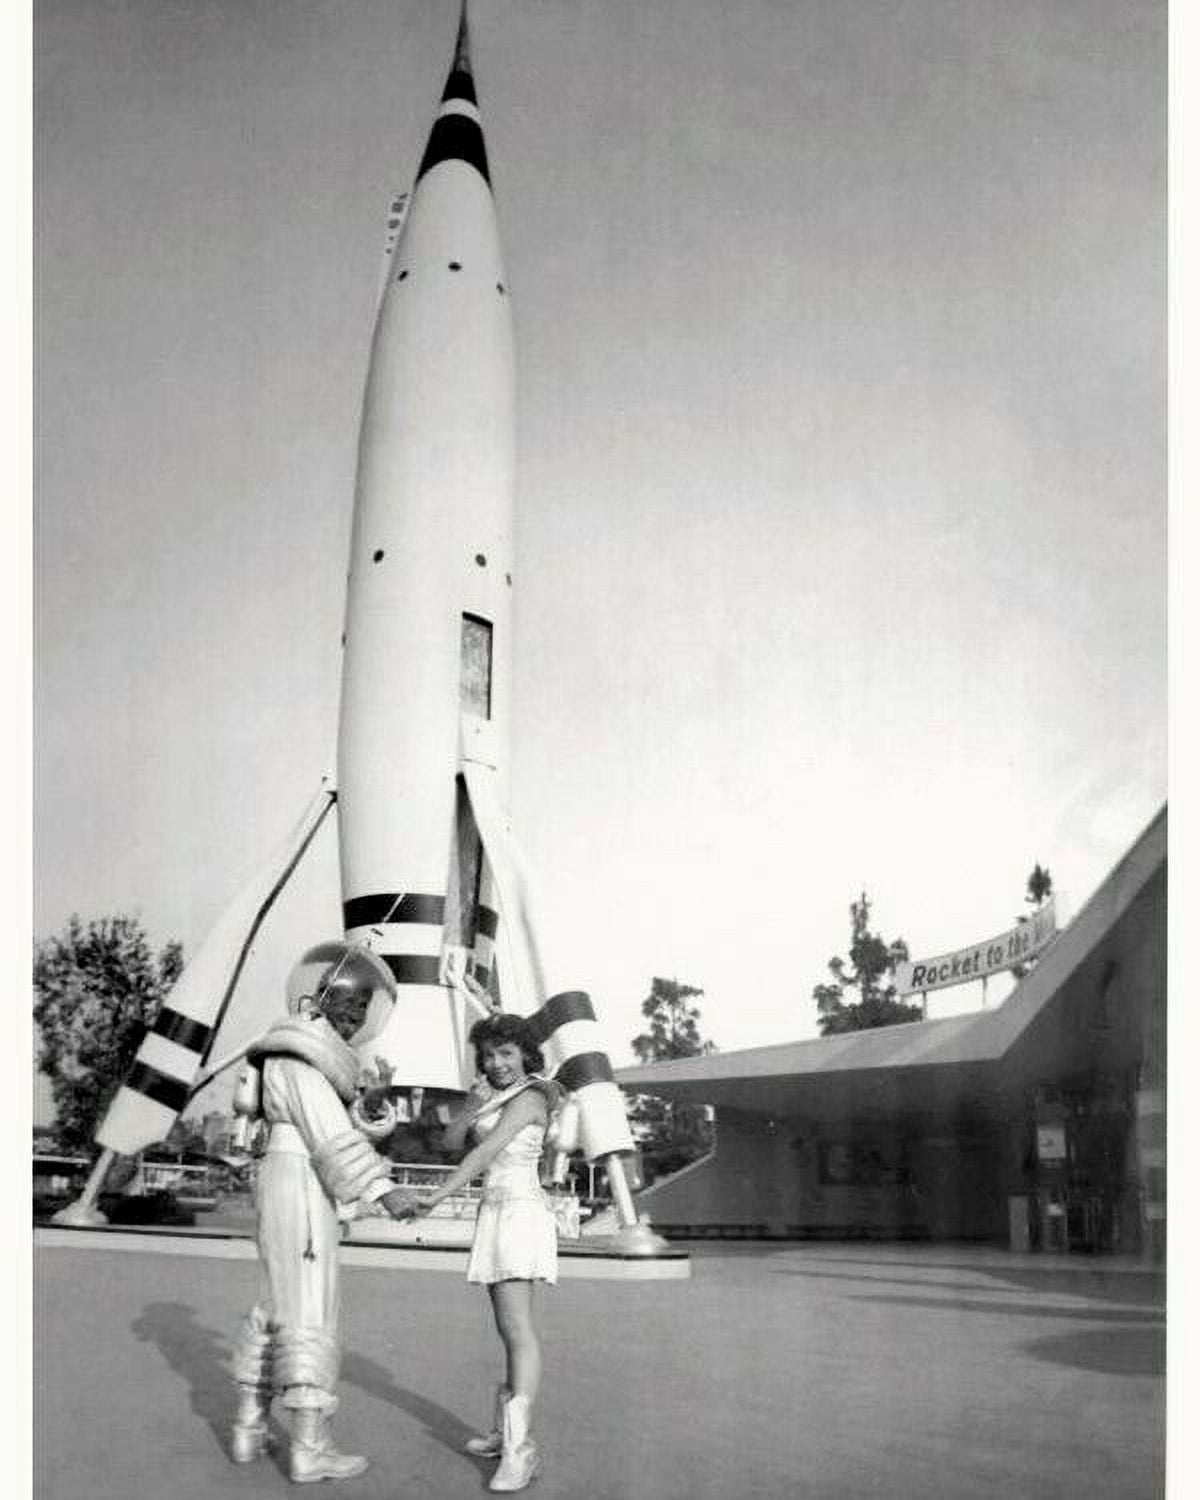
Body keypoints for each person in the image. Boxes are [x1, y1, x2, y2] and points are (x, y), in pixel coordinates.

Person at [227, 941, 414, 1483]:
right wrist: (384, 1190)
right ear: (320, 997)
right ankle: (309, 1446)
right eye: (347, 1005)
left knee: (277, 1300)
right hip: (302, 1180)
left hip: (290, 1177)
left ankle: (248, 1426)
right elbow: (329, 1134)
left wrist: (373, 1100)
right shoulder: (297, 1051)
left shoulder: (300, 1054)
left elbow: (343, 1120)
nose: (355, 1019)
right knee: (310, 1303)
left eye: (363, 1010)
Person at [398, 1008, 560, 1493]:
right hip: (495, 1213)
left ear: (526, 1054)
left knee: (518, 1329)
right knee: (505, 1328)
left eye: (506, 1052)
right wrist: (472, 1104)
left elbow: (484, 1154)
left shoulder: (531, 1095)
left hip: (519, 1212)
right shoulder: (496, 1096)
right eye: (488, 1055)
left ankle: (520, 1449)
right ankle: (501, 1434)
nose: (497, 1062)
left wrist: (437, 1195)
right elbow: (450, 1139)